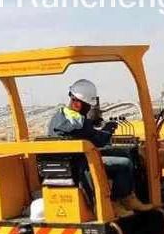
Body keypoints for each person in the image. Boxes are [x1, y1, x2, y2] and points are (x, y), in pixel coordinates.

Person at [48, 79, 153, 216]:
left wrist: (92, 124)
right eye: (88, 106)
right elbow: (100, 140)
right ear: (78, 104)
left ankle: (129, 197)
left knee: (123, 153)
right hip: (82, 163)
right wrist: (109, 128)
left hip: (71, 160)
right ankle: (117, 201)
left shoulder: (59, 117)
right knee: (126, 162)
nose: (89, 109)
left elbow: (85, 134)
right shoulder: (79, 122)